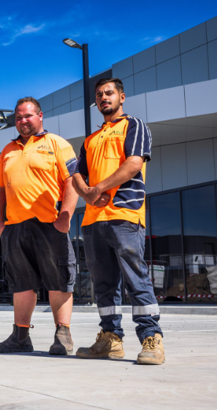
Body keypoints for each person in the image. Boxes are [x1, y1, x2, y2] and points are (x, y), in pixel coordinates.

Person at [72, 78, 164, 365]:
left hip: (124, 214)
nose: (103, 97)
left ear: (121, 97)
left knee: (136, 277)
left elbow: (134, 163)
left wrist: (98, 188)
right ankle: (110, 338)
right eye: (99, 94)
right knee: (103, 283)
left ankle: (152, 338)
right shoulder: (90, 140)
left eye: (109, 93)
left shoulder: (133, 126)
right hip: (93, 219)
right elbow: (77, 174)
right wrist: (86, 192)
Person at [0, 97, 78, 355]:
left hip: (49, 224)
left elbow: (72, 181)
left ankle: (62, 335)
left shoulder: (57, 144)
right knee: (21, 283)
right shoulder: (8, 150)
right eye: (18, 117)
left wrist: (65, 217)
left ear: (40, 116)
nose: (22, 121)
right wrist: (0, 224)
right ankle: (20, 337)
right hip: (14, 227)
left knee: (59, 279)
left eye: (27, 116)